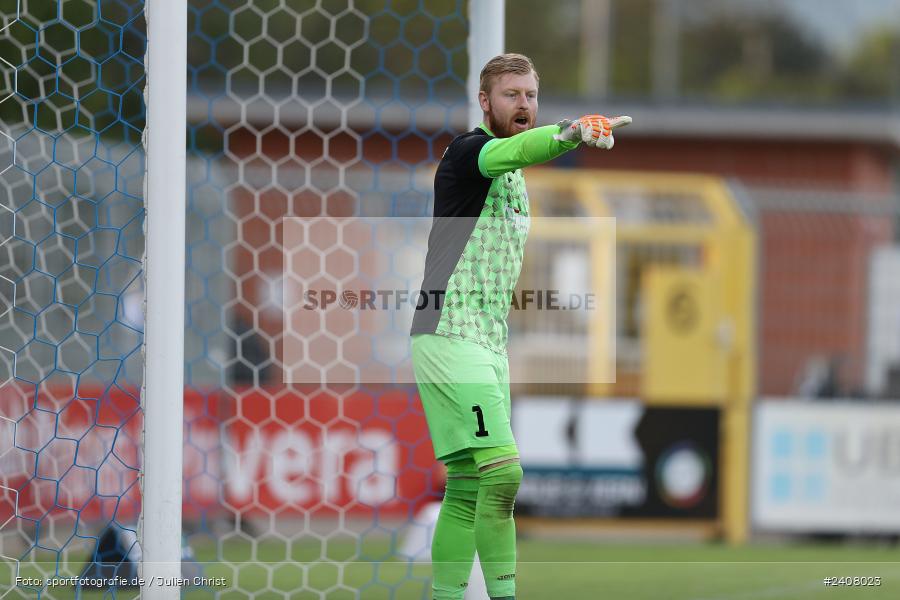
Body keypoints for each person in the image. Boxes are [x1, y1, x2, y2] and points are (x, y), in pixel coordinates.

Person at [409, 53, 630, 600]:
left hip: (488, 340)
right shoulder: (471, 152)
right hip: (450, 331)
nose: (523, 104)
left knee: (467, 487)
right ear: (486, 102)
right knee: (504, 474)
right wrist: (570, 134)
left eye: (530, 94)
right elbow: (516, 150)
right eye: (511, 95)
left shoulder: (513, 176)